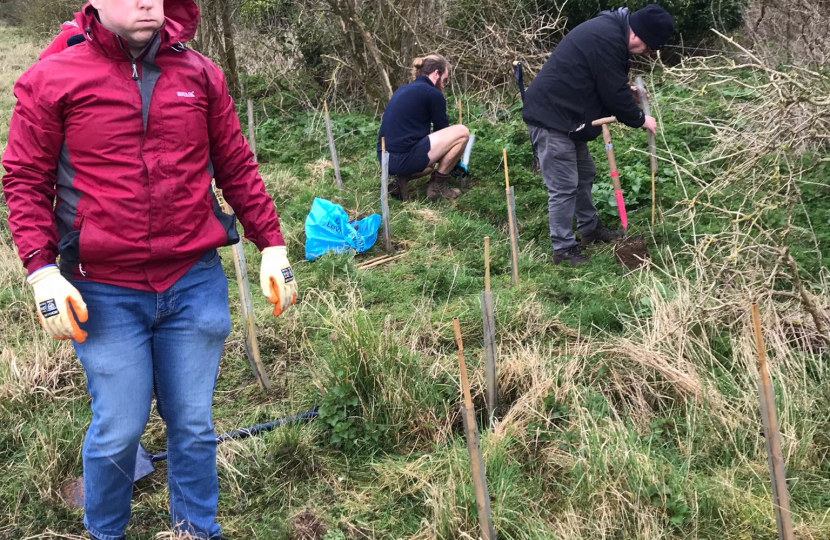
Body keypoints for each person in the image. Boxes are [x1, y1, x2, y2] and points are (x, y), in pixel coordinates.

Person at [2, 1, 298, 539]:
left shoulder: (200, 74)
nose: (147, 2)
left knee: (192, 425)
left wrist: (271, 243)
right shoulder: (52, 79)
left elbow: (234, 162)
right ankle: (106, 532)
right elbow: (24, 179)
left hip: (193, 279)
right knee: (118, 428)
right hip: (102, 288)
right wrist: (42, 271)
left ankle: (196, 530)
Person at [522, 4, 675, 266]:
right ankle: (563, 249)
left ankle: (590, 230)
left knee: (584, 174)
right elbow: (611, 92)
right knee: (563, 186)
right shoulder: (606, 37)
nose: (648, 54)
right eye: (650, 47)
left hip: (569, 117)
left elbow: (602, 79)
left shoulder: (610, 33)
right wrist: (640, 119)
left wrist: (628, 92)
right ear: (638, 34)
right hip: (552, 118)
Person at [377, 54, 470, 201]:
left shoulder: (402, 89)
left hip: (385, 160)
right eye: (444, 80)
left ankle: (399, 182)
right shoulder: (432, 93)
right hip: (404, 158)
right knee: (462, 132)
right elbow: (443, 132)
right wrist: (455, 161)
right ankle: (438, 187)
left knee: (429, 166)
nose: (444, 85)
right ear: (436, 74)